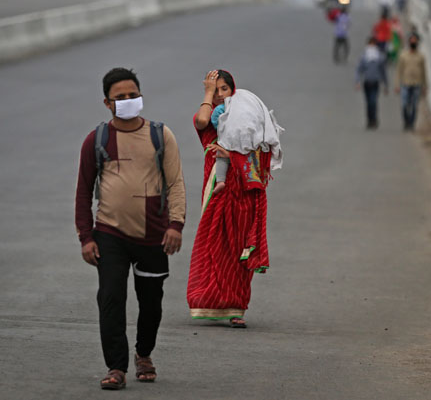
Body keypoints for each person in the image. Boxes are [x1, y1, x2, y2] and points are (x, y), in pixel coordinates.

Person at [75, 67, 186, 390]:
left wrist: (175, 224)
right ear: (107, 103)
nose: (128, 100)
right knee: (111, 298)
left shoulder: (160, 135)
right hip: (109, 233)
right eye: (120, 97)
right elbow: (83, 191)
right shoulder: (97, 140)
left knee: (151, 302)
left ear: (141, 95)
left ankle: (144, 353)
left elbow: (176, 183)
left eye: (132, 95)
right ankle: (116, 367)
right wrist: (86, 236)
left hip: (154, 235)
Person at [187, 70, 282, 328]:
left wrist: (233, 156)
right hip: (218, 191)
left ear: (233, 90)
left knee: (241, 249)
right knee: (216, 247)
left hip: (244, 193)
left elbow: (259, 155)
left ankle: (237, 307)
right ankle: (210, 299)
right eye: (214, 90)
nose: (220, 94)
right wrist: (208, 93)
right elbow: (200, 121)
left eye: (223, 89)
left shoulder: (247, 124)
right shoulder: (210, 120)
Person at [395, 33, 427, 130]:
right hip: (405, 83)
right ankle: (406, 122)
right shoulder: (403, 56)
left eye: (415, 40)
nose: (413, 42)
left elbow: (424, 72)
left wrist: (425, 86)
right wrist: (397, 84)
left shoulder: (421, 56)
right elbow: (399, 71)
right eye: (411, 40)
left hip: (417, 83)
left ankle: (412, 124)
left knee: (414, 105)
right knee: (405, 104)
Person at [356, 37, 389, 129]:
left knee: (373, 102)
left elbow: (383, 72)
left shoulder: (380, 57)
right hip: (367, 82)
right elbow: (359, 70)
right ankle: (369, 120)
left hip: (375, 82)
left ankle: (374, 119)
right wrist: (358, 81)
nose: (372, 46)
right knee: (368, 103)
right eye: (370, 44)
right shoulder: (364, 57)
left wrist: (386, 85)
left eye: (373, 44)